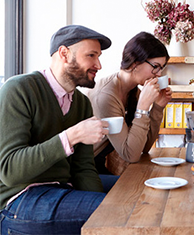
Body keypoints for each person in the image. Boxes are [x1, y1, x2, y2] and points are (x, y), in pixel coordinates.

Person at [0, 25, 112, 235]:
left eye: (98, 56)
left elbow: (83, 168)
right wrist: (71, 136)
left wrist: (97, 210)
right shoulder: (18, 90)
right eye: (91, 55)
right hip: (18, 200)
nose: (99, 64)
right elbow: (9, 171)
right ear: (64, 53)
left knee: (128, 201)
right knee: (116, 211)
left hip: (62, 189)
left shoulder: (81, 103)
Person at [85, 32, 172, 176]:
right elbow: (131, 154)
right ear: (135, 63)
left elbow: (144, 147)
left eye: (161, 68)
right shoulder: (106, 96)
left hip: (101, 165)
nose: (158, 74)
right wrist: (143, 108)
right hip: (86, 170)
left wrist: (157, 107)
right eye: (156, 66)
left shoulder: (133, 91)